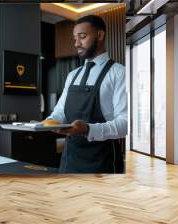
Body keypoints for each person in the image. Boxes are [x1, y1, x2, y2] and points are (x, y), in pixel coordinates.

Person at [44, 15, 127, 173]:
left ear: (100, 35)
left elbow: (125, 124)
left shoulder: (119, 73)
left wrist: (88, 129)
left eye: (82, 37)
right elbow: (60, 111)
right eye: (75, 38)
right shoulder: (72, 75)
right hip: (70, 161)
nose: (77, 43)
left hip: (103, 163)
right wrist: (48, 122)